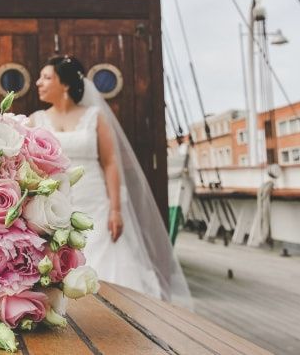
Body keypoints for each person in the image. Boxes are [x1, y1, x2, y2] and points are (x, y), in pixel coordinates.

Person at [30, 55, 191, 306]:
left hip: (95, 201)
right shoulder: (36, 120)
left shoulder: (95, 117)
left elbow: (110, 163)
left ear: (65, 84)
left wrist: (116, 209)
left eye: (46, 77)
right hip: (55, 204)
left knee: (106, 259)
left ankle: (110, 312)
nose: (39, 83)